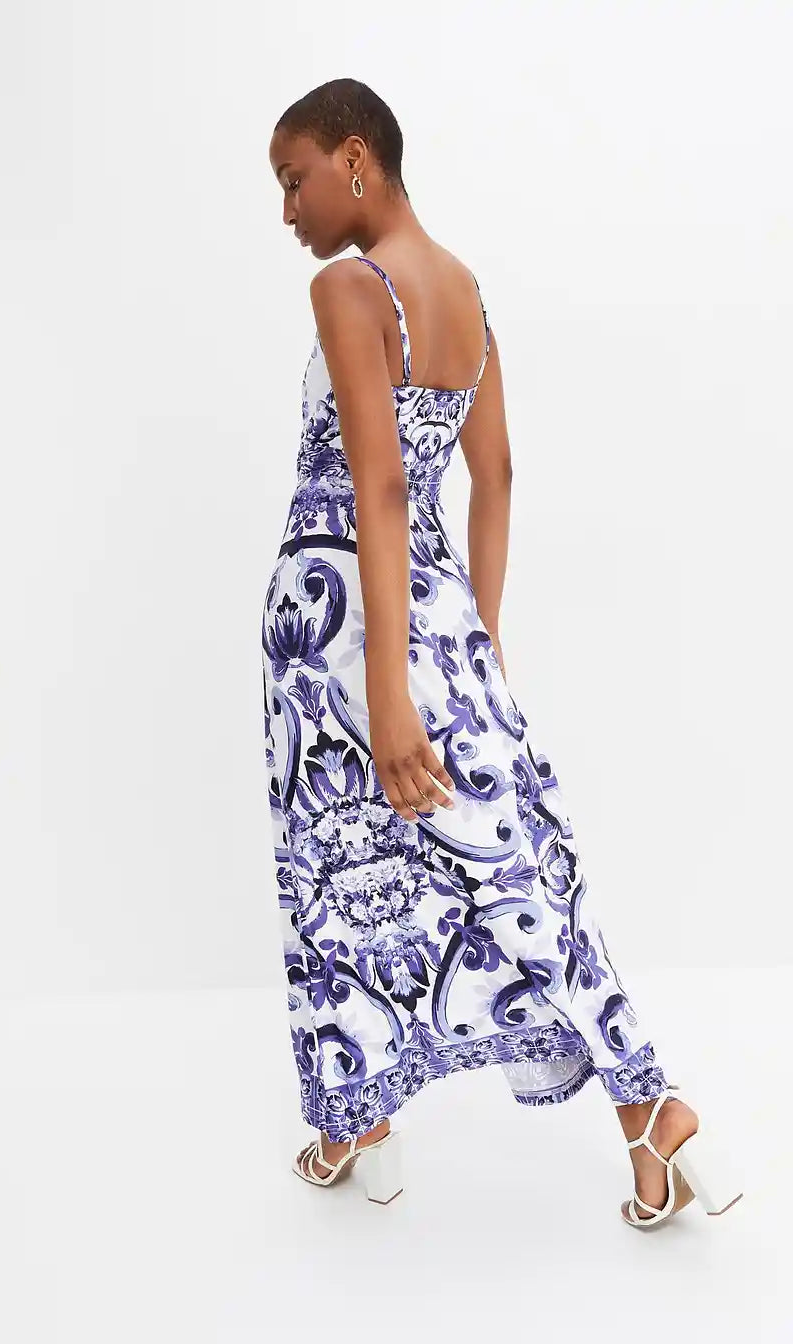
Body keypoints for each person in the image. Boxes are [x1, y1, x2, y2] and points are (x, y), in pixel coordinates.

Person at [259, 78, 742, 1227]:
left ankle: (363, 1121)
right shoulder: (467, 295)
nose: (288, 210)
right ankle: (641, 1113)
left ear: (357, 159)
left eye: (295, 178)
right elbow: (496, 475)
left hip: (336, 618)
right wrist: (478, 637)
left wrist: (388, 684)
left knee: (333, 862)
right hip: (438, 607)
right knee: (517, 861)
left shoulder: (348, 287)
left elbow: (378, 484)